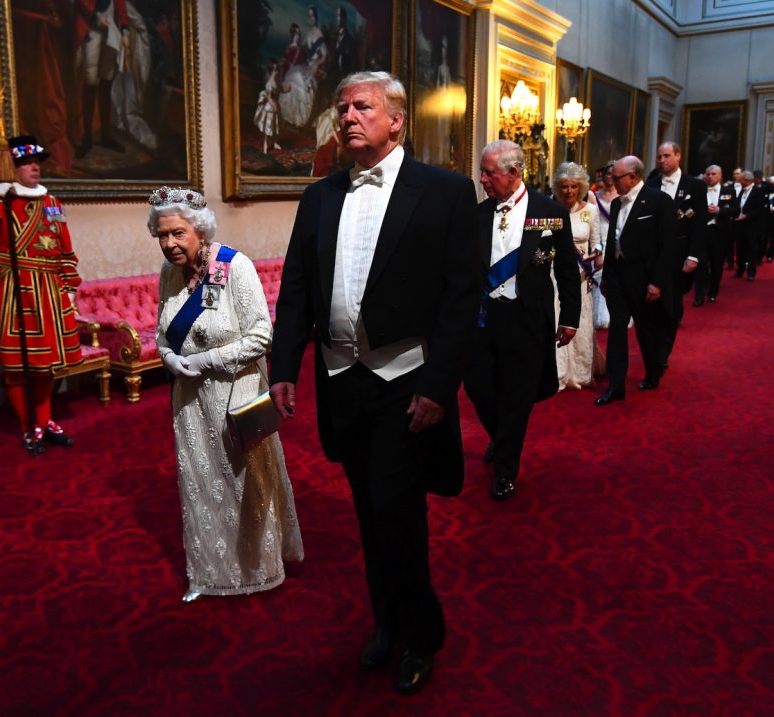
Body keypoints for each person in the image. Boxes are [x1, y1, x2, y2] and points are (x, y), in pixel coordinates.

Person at [269, 71, 478, 695]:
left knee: (395, 511)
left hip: (404, 380)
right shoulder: (321, 195)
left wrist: (439, 386)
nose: (348, 117)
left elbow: (461, 300)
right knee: (369, 513)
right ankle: (387, 622)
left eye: (362, 107)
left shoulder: (444, 192)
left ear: (396, 120)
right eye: (342, 108)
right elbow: (298, 289)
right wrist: (284, 367)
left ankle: (421, 634)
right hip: (343, 381)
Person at [150, 186, 303, 601]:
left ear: (199, 230)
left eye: (178, 233)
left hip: (238, 396)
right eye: (162, 235)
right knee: (201, 483)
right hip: (189, 404)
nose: (169, 244)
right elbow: (162, 332)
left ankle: (258, 568)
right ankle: (209, 572)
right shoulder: (169, 273)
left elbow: (260, 336)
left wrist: (201, 362)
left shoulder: (233, 267)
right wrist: (168, 357)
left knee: (245, 482)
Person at [466, 143, 580, 502]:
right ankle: (501, 438)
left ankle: (505, 469)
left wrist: (571, 318)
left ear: (515, 174)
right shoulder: (477, 214)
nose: (482, 179)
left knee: (517, 397)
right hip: (483, 319)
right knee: (479, 388)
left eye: (489, 173)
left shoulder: (551, 213)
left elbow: (566, 271)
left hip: (527, 320)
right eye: (482, 172)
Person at [0, 135, 82, 452]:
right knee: (18, 365)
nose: (35, 168)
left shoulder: (52, 203)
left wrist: (69, 287)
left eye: (37, 162)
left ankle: (45, 420)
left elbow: (65, 248)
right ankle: (27, 426)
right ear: (11, 166)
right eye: (26, 163)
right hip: (16, 292)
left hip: (49, 292)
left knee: (46, 364)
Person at [595, 155, 675, 406]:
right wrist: (607, 276)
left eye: (616, 177)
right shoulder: (617, 203)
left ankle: (653, 372)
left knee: (646, 329)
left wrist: (657, 282)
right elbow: (612, 242)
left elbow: (668, 246)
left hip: (644, 278)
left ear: (633, 177)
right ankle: (615, 386)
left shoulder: (659, 201)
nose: (611, 181)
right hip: (618, 277)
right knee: (617, 331)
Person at [646, 142, 707, 360]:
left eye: (667, 156)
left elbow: (700, 223)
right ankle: (654, 349)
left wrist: (693, 255)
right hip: (654, 254)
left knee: (672, 303)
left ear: (678, 156)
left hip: (681, 252)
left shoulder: (695, 186)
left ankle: (663, 354)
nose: (662, 160)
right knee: (653, 304)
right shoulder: (651, 185)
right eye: (659, 156)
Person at [552, 161, 603, 390]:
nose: (569, 191)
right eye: (564, 186)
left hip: (582, 276)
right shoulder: (549, 209)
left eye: (574, 186)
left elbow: (596, 243)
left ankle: (581, 372)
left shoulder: (591, 211)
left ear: (581, 187)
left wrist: (597, 255)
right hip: (553, 275)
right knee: (555, 319)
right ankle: (558, 373)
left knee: (580, 323)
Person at [73, 0, 129, 159]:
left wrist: (125, 31)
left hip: (112, 32)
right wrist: (97, 18)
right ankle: (87, 138)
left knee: (107, 82)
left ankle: (106, 135)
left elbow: (120, 4)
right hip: (91, 30)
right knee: (90, 83)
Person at [697, 165, 739, 304]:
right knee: (700, 265)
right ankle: (699, 295)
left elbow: (736, 211)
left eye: (713, 174)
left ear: (720, 176)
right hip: (702, 232)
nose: (710, 176)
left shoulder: (729, 191)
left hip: (720, 233)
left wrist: (720, 210)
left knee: (716, 265)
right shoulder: (699, 190)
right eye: (708, 174)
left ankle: (713, 292)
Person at [591, 162, 618, 329]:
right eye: (609, 174)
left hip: (616, 238)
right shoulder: (595, 195)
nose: (611, 177)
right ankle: (598, 313)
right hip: (599, 237)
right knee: (599, 274)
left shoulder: (622, 195)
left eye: (614, 174)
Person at [733, 170, 766, 281]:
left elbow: (760, 210)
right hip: (740, 225)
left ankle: (751, 273)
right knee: (740, 249)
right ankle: (740, 270)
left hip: (752, 226)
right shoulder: (742, 191)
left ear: (746, 180)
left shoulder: (758, 191)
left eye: (741, 179)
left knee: (752, 250)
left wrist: (747, 216)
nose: (739, 180)